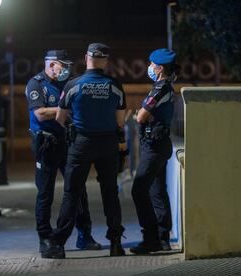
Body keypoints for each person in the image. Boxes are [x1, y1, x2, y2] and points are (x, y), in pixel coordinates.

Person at [41, 43, 127, 259]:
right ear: (106, 61)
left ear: (87, 58)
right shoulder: (115, 85)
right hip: (107, 144)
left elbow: (60, 119)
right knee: (110, 193)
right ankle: (116, 243)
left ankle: (58, 244)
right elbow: (120, 121)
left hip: (81, 144)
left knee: (72, 193)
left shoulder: (73, 85)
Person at [25, 50, 101, 258]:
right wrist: (64, 108)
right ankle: (45, 238)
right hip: (46, 145)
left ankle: (84, 235)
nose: (66, 69)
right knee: (45, 193)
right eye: (62, 65)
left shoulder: (66, 84)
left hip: (66, 143)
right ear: (51, 64)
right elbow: (39, 114)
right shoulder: (36, 84)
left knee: (78, 190)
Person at [130, 48, 177, 254]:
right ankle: (162, 238)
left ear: (159, 67)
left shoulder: (160, 88)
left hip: (154, 146)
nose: (149, 67)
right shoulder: (165, 87)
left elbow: (140, 117)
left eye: (151, 64)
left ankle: (151, 239)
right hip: (159, 144)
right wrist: (146, 115)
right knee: (157, 191)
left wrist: (143, 116)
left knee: (139, 190)